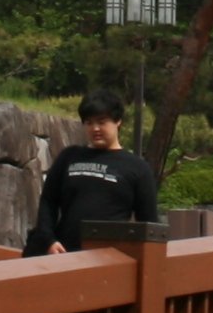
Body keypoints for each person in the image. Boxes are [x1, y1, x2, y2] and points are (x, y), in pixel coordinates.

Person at [22, 90, 159, 254]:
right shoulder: (69, 156)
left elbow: (149, 223)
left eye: (102, 122)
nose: (95, 128)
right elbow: (48, 201)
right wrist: (48, 240)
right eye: (89, 123)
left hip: (109, 258)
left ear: (118, 121)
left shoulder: (137, 167)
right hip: (62, 254)